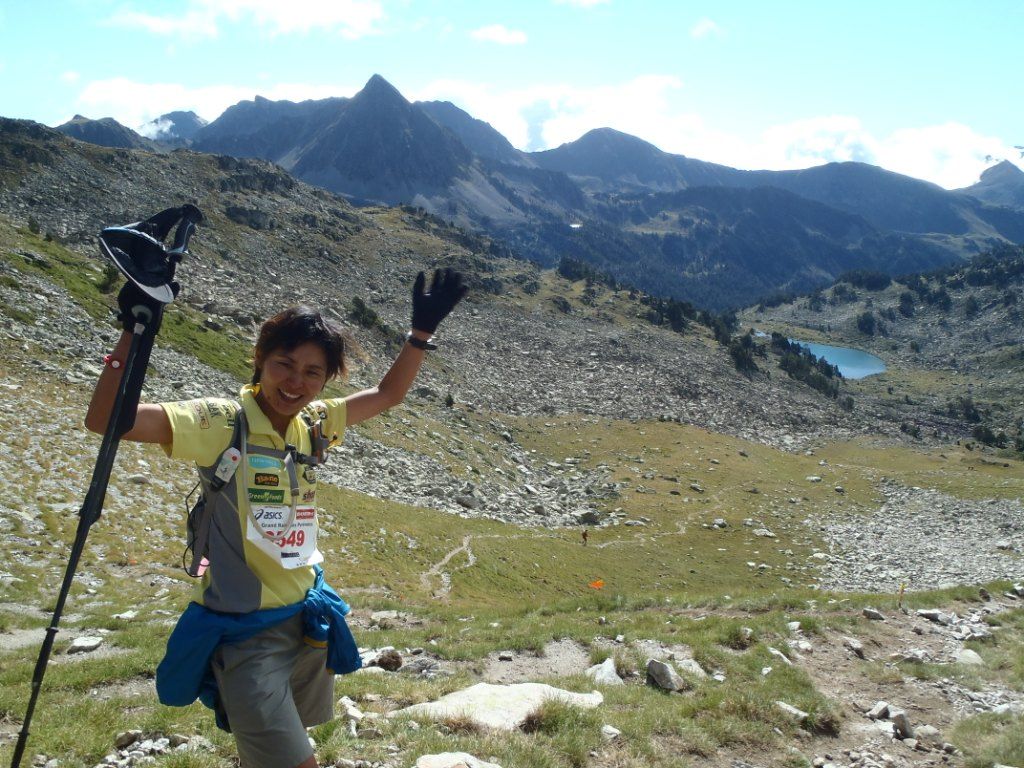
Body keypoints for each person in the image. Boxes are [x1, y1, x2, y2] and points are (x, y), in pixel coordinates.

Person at [86, 268, 466, 768]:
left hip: (305, 619)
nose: (295, 382)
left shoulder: (315, 423)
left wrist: (420, 335)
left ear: (326, 379)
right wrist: (132, 330)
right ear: (260, 360)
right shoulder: (222, 422)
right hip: (246, 635)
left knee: (269, 755)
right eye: (284, 364)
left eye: (312, 372)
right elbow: (107, 419)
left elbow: (387, 395)